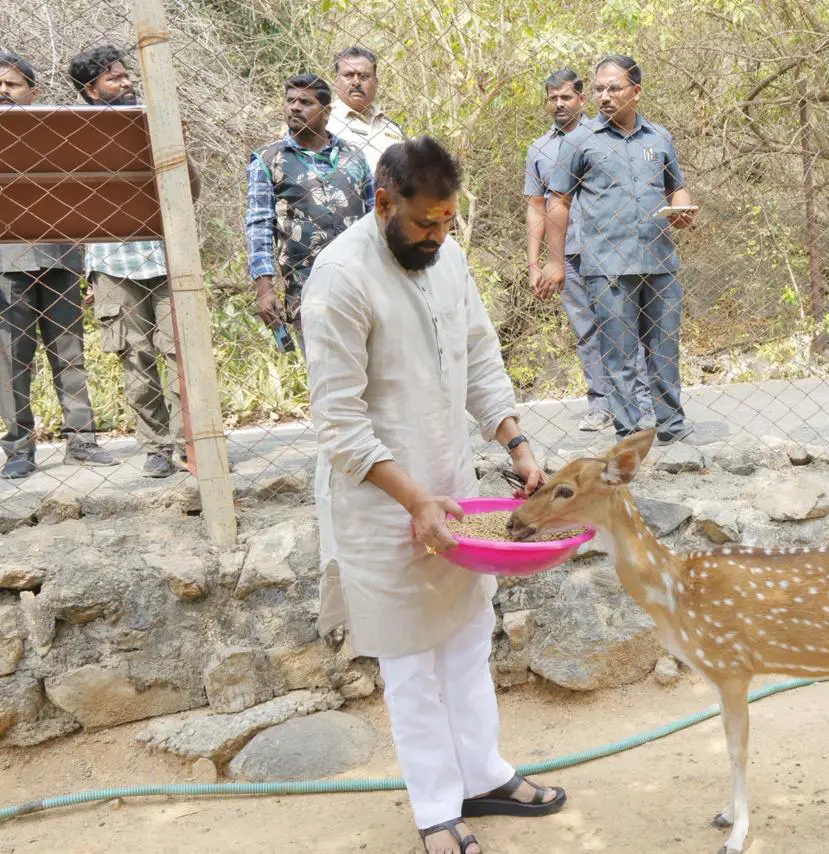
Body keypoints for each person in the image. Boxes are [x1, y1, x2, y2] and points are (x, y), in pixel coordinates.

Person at [300, 135, 567, 854]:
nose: (438, 236)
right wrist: (414, 500)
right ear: (384, 202)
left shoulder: (447, 258)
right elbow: (339, 423)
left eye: (448, 221)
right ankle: (436, 809)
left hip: (452, 489)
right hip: (381, 503)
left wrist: (516, 444)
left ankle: (484, 774)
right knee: (411, 661)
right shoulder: (340, 278)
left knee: (468, 636)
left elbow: (480, 355)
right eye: (425, 223)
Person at [545, 55, 698, 444]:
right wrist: (554, 261)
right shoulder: (580, 141)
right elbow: (558, 201)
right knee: (619, 356)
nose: (604, 96)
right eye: (599, 89)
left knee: (664, 351)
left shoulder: (659, 138)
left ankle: (672, 428)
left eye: (614, 88)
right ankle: (629, 437)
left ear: (637, 91)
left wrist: (682, 208)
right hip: (607, 267)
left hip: (659, 263)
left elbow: (676, 187)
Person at [70, 44, 201, 478]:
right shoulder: (73, 133)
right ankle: (157, 447)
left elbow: (190, 193)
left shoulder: (155, 120)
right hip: (113, 263)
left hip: (166, 257)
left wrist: (177, 146)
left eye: (127, 75)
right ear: (91, 90)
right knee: (137, 358)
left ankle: (190, 444)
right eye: (114, 77)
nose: (127, 82)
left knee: (180, 354)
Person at [0, 51, 118, 479]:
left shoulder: (57, 132)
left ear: (33, 92)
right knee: (11, 360)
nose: (3, 91)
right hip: (6, 264)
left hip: (60, 255)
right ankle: (19, 448)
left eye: (12, 85)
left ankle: (82, 441)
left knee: (69, 353)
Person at [524, 68, 651, 433]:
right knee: (586, 332)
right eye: (553, 98)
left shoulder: (606, 137)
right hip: (568, 254)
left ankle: (640, 404)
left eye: (566, 97)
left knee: (624, 328)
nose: (559, 104)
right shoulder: (539, 149)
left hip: (611, 249)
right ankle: (601, 405)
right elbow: (536, 206)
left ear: (582, 99)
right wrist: (535, 263)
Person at [245, 73, 374, 352]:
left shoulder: (354, 156)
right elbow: (259, 225)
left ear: (326, 112)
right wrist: (265, 289)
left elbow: (375, 216)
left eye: (305, 102)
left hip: (363, 285)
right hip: (308, 292)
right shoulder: (268, 160)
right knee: (327, 371)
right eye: (290, 100)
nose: (294, 107)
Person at [326, 46, 405, 172]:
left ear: (376, 83)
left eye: (364, 76)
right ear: (336, 82)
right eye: (348, 75)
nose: (356, 82)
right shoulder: (323, 122)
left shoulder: (393, 129)